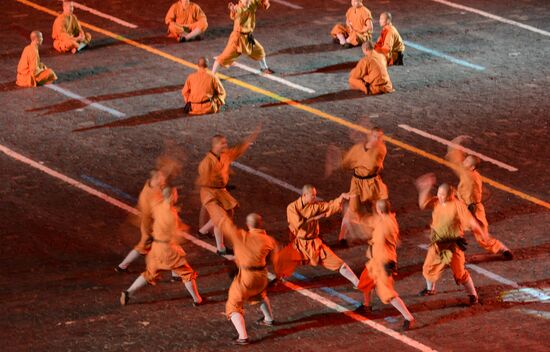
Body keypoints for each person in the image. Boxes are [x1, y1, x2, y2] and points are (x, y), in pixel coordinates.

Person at [206, 203, 278, 345]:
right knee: (260, 294)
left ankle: (243, 337)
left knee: (233, 304)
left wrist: (216, 209)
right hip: (262, 276)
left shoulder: (241, 236)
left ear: (248, 224)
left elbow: (226, 225)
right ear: (260, 224)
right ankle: (269, 319)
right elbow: (274, 259)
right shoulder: (269, 240)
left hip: (246, 276)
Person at [120, 187, 203, 306]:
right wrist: (183, 229)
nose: (177, 196)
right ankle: (197, 299)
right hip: (166, 249)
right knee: (187, 273)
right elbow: (176, 235)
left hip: (155, 247)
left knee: (150, 272)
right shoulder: (171, 214)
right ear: (171, 196)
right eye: (175, 194)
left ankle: (128, 292)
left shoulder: (158, 207)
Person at [415, 174, 487, 304]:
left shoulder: (457, 205)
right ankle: (430, 289)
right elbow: (422, 204)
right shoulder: (437, 201)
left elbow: (472, 222)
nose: (440, 197)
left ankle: (473, 295)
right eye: (439, 194)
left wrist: (482, 233)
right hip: (438, 244)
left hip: (453, 245)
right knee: (428, 268)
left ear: (450, 195)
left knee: (460, 272)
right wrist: (425, 189)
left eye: (443, 194)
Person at [277, 185, 360, 287]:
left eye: (315, 195)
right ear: (304, 195)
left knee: (339, 264)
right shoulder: (292, 208)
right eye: (312, 196)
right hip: (299, 245)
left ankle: (358, 283)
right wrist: (315, 217)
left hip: (314, 245)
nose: (315, 198)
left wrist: (341, 198)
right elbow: (298, 225)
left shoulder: (315, 206)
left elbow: (329, 206)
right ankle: (278, 279)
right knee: (281, 259)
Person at [446, 137, 513, 259]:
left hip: (471, 210)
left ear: (472, 167)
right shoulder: (474, 175)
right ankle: (502, 249)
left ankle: (502, 249)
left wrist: (456, 143)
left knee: (474, 235)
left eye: (466, 162)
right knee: (478, 235)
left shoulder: (468, 175)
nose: (463, 163)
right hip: (471, 207)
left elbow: (454, 159)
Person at [197, 130, 259, 255]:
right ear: (215, 145)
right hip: (210, 193)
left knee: (228, 212)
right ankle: (221, 249)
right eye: (222, 143)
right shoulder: (206, 163)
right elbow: (203, 181)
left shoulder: (225, 155)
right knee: (221, 219)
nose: (225, 145)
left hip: (221, 191)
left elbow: (238, 150)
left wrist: (249, 140)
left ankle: (203, 231)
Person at [357, 200, 415, 330]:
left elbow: (377, 237)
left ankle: (408, 317)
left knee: (387, 293)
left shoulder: (385, 225)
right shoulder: (388, 219)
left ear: (379, 211)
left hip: (383, 263)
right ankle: (366, 305)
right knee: (365, 280)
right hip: (375, 261)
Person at [338, 127, 388, 246]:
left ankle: (379, 234)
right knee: (352, 210)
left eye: (380, 138)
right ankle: (342, 236)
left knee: (379, 207)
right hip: (357, 182)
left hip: (372, 182)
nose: (377, 139)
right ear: (370, 136)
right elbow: (347, 162)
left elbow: (371, 165)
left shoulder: (381, 149)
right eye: (375, 136)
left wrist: (352, 161)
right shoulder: (357, 148)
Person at [211, 0, 273, 74]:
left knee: (259, 50)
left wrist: (265, 2)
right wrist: (233, 9)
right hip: (237, 38)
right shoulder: (239, 8)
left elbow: (262, 2)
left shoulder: (252, 3)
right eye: (246, 1)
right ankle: (212, 75)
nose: (248, 2)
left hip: (248, 37)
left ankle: (264, 68)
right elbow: (236, 12)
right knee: (224, 57)